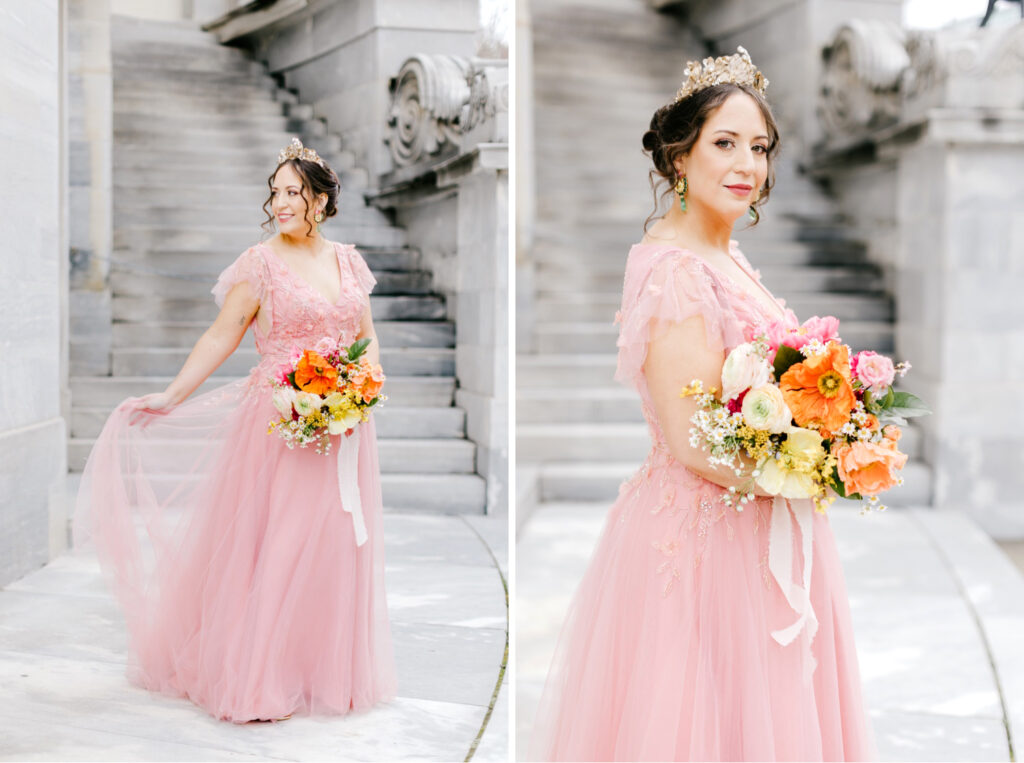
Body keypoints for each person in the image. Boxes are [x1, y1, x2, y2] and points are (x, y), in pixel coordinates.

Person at [528, 49, 876, 761]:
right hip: (706, 540)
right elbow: (691, 440)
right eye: (725, 143)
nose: (747, 162)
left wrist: (830, 430)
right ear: (680, 157)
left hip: (765, 521)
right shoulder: (675, 272)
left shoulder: (725, 254)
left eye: (759, 146)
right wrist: (811, 470)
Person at [74, 137, 397, 723]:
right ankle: (258, 682)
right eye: (275, 192)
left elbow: (365, 330)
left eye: (294, 192)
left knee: (332, 548)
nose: (281, 203)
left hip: (344, 425)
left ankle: (320, 672)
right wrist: (173, 393)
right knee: (279, 546)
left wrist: (364, 382)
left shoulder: (348, 260)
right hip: (279, 423)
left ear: (321, 201)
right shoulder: (261, 263)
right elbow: (222, 334)